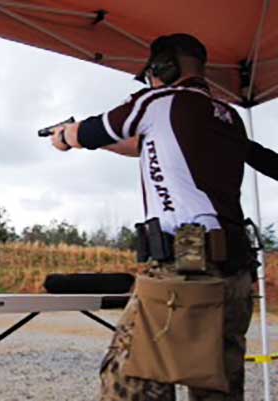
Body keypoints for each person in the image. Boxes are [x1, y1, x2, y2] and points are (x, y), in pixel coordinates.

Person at [48, 33, 275, 401]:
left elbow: (89, 130)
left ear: (163, 67)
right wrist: (96, 141)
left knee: (130, 379)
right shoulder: (227, 116)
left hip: (186, 264)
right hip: (235, 271)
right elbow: (144, 143)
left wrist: (67, 136)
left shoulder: (158, 100)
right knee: (215, 386)